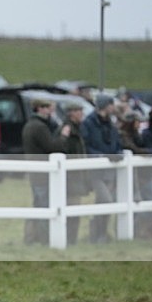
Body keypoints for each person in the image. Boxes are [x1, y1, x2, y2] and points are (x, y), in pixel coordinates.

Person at [21, 98, 70, 245]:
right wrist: (63, 136)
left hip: (36, 172)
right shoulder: (39, 127)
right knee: (43, 205)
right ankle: (44, 239)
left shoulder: (31, 125)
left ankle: (31, 237)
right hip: (42, 173)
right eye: (49, 107)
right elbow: (52, 147)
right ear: (40, 108)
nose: (51, 111)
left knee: (38, 204)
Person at [81, 93, 121, 243]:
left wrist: (118, 153)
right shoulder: (89, 123)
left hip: (109, 171)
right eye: (111, 104)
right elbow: (87, 146)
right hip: (96, 172)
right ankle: (99, 233)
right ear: (105, 106)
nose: (114, 107)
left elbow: (116, 142)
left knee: (103, 203)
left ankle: (100, 234)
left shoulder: (110, 124)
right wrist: (102, 156)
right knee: (106, 200)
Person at [59, 102, 88, 245]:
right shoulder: (67, 130)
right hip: (71, 178)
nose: (81, 114)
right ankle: (69, 240)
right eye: (79, 111)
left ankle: (71, 239)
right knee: (72, 209)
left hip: (76, 177)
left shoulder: (76, 129)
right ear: (71, 113)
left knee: (74, 209)